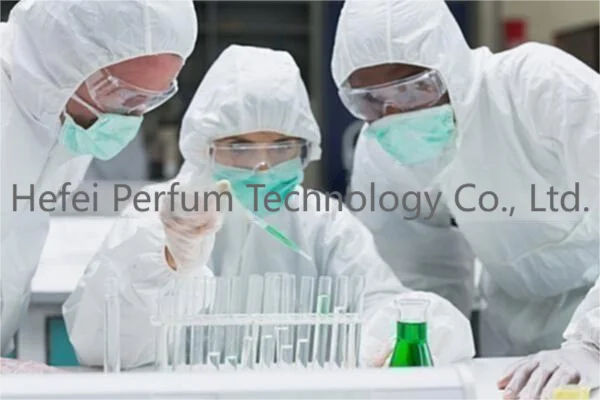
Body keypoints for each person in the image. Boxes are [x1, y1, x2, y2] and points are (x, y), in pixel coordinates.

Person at [62, 44, 474, 370]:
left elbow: (380, 304)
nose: (261, 165)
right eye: (239, 146)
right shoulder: (158, 214)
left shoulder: (322, 223)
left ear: (305, 149)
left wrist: (411, 333)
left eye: (280, 146)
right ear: (204, 147)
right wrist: (169, 260)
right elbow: (98, 345)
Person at [331, 0, 600, 397]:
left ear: (448, 63)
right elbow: (416, 274)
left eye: (411, 89)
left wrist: (592, 343)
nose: (394, 110)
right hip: (511, 339)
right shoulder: (383, 148)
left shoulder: (536, 84)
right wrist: (429, 344)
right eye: (370, 99)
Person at [0, 0, 197, 364]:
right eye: (124, 97)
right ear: (62, 57)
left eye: (151, 99)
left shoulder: (62, 115)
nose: (131, 117)